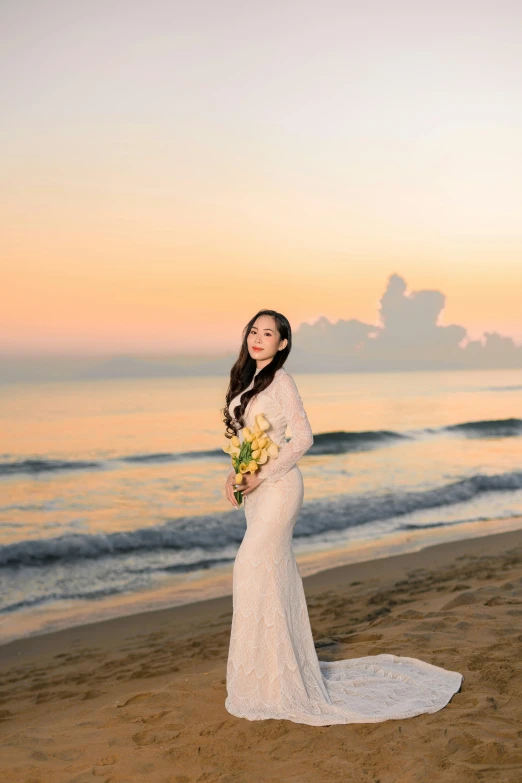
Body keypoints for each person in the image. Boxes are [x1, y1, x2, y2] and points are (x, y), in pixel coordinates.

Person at [221, 309, 463, 725]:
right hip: (259, 493)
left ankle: (282, 682)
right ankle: (265, 679)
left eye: (268, 333)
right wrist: (237, 471)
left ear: (283, 344)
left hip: (279, 491)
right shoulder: (245, 381)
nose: (258, 338)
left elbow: (304, 436)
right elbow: (250, 440)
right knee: (267, 576)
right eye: (253, 331)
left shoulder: (282, 380)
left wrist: (262, 473)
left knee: (249, 568)